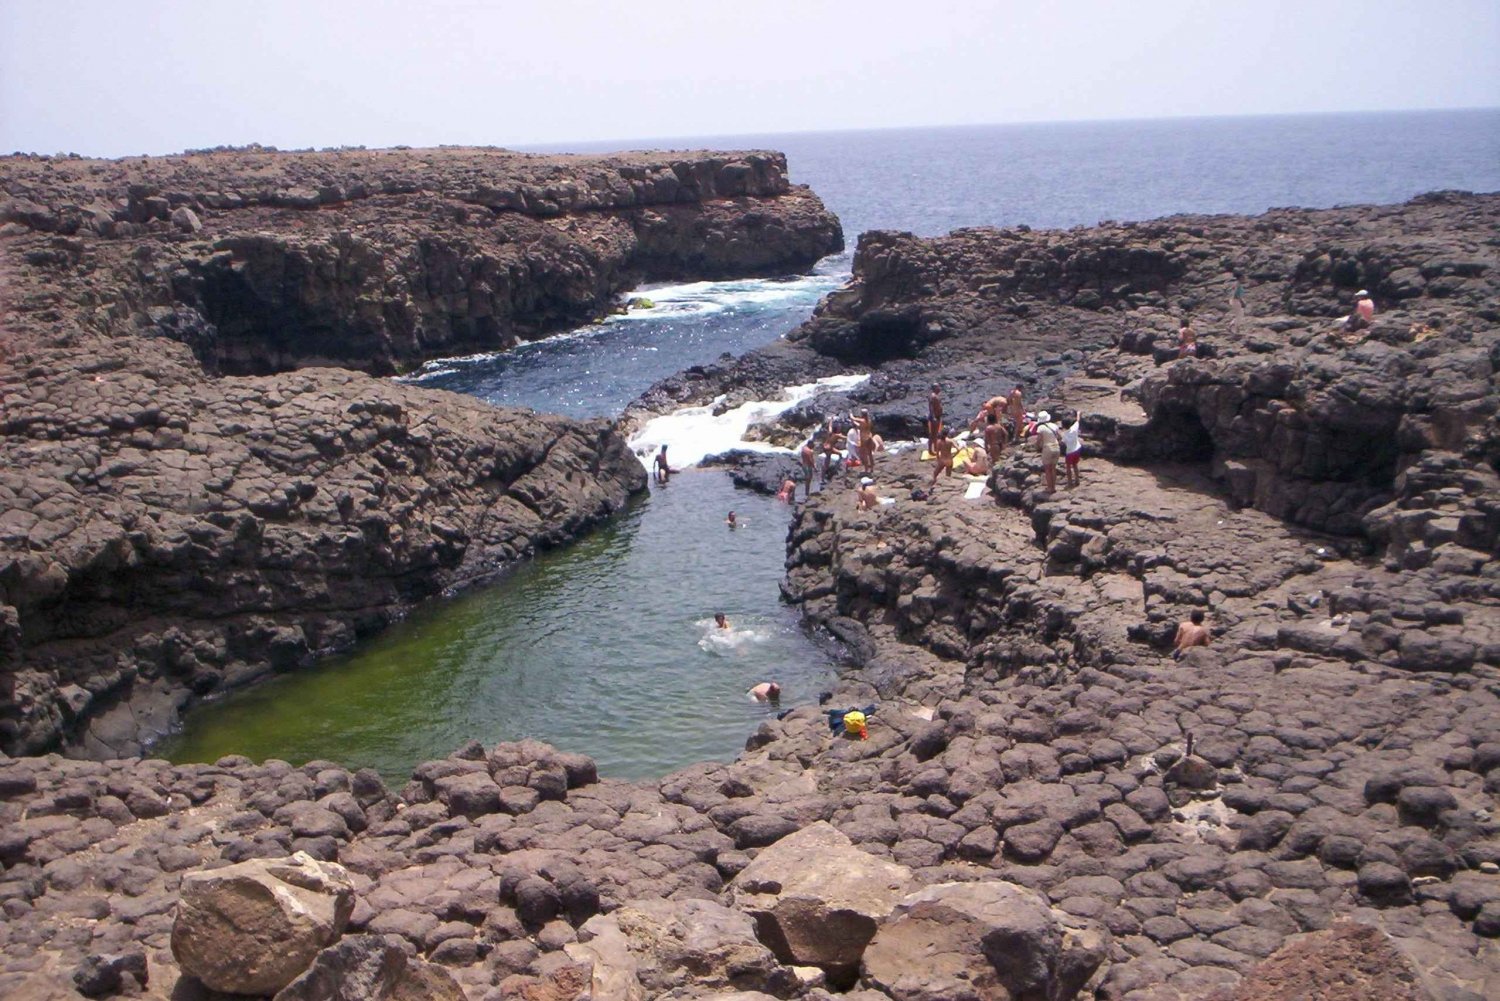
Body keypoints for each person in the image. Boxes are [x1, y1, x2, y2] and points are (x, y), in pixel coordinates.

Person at [1033, 410, 1062, 493]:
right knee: (1053, 468)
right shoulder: (1054, 426)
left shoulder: (1040, 428)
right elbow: (1059, 437)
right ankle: (1054, 487)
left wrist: (1037, 447)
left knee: (1047, 469)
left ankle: (1050, 487)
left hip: (1047, 448)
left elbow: (1039, 440)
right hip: (1056, 447)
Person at [851, 409, 876, 474]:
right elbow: (861, 426)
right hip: (869, 437)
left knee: (864, 454)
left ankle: (866, 469)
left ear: (862, 414)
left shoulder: (861, 420)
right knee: (870, 454)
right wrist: (855, 423)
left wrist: (850, 413)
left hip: (864, 439)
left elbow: (853, 418)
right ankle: (872, 469)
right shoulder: (869, 421)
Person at [1062, 416, 1082, 488]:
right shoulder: (1074, 428)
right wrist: (1078, 414)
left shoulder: (1064, 434)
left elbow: (1063, 442)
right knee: (1075, 465)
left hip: (1070, 452)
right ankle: (1077, 479)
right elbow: (1078, 420)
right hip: (1077, 449)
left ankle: (1070, 482)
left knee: (1068, 467)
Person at [927, 383, 944, 451]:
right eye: (938, 387)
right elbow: (931, 407)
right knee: (933, 434)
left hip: (937, 416)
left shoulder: (936, 396)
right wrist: (933, 416)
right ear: (935, 388)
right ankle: (930, 449)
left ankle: (935, 448)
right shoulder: (933, 396)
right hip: (934, 417)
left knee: (936, 434)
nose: (939, 388)